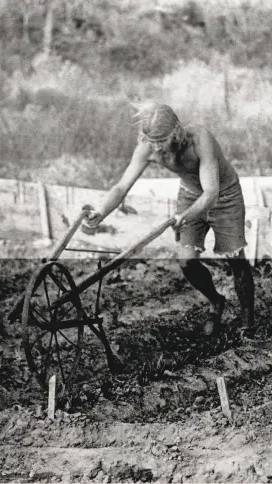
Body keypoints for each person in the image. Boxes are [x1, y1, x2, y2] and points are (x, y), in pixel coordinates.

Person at [82, 101, 255, 335]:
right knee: (186, 262)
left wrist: (183, 216)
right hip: (189, 195)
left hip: (225, 196)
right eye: (153, 143)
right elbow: (122, 187)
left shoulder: (199, 139)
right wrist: (101, 212)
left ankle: (247, 320)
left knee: (235, 258)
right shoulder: (147, 148)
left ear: (176, 132)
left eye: (162, 141)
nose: (158, 149)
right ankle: (216, 302)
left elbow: (211, 193)